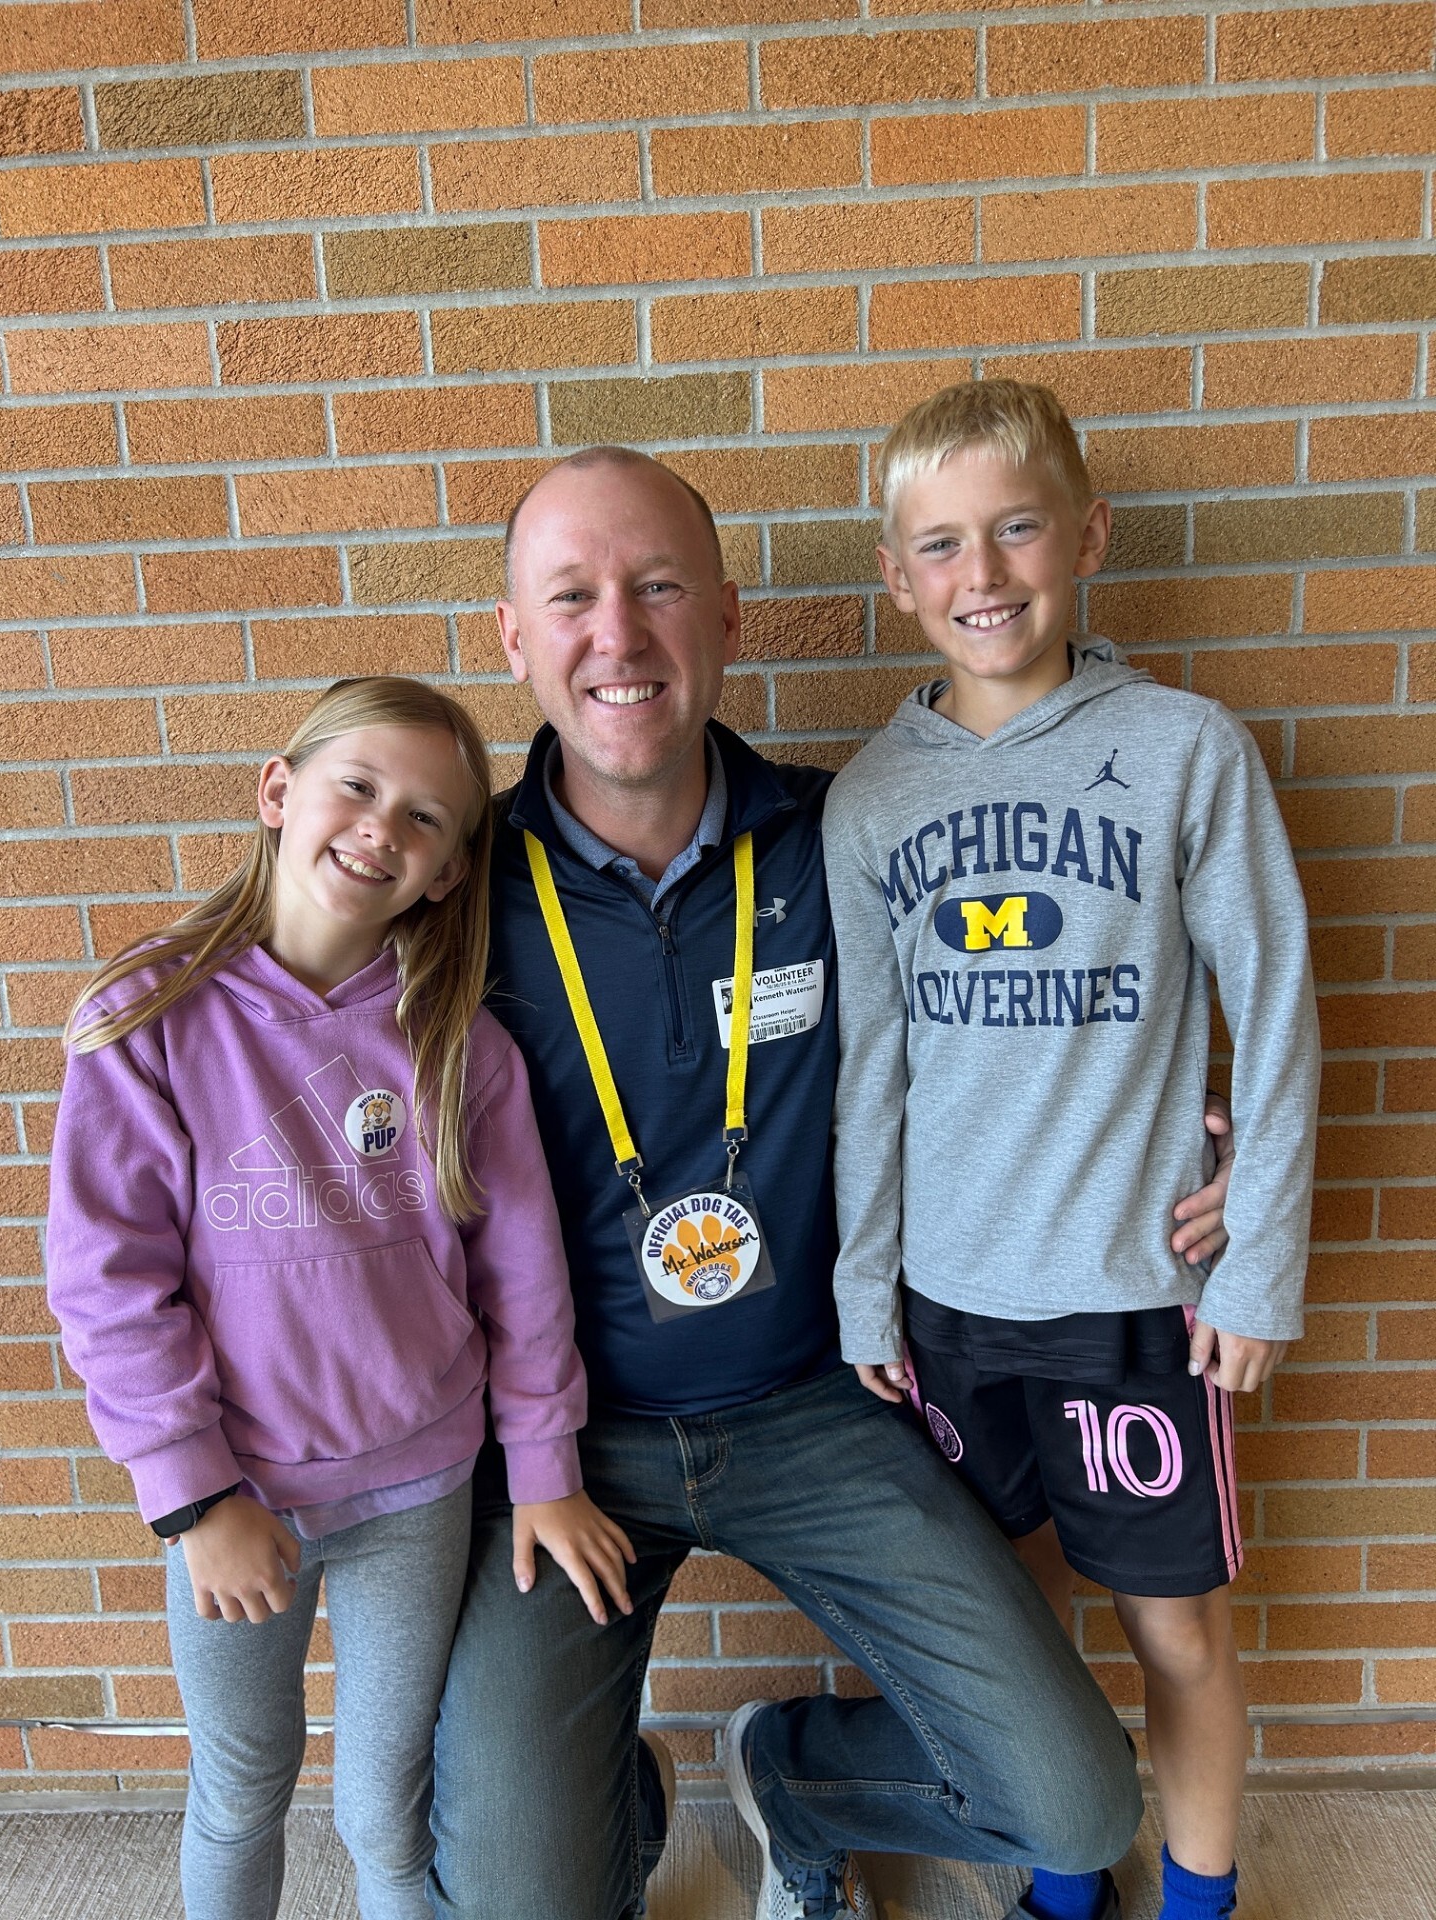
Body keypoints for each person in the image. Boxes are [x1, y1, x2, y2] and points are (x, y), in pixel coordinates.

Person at [428, 448, 1235, 1920]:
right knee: (514, 1890)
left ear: (728, 619)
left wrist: (1203, 1134)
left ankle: (790, 1763)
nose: (620, 635)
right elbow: (289, 1065)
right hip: (566, 1445)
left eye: (659, 587)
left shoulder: (848, 835)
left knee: (1075, 1801)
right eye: (574, 597)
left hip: (817, 1403)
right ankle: (610, 1791)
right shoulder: (455, 883)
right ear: (512, 637)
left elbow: (1047, 1005)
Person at [823, 381, 1320, 1920]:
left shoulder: (1186, 751)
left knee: (1177, 1633)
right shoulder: (871, 798)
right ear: (898, 580)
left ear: (1087, 536)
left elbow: (1280, 1003)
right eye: (943, 545)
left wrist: (1262, 1260)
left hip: (1137, 1306)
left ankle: (1198, 1899)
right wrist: (864, 1297)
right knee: (1015, 1640)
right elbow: (869, 1073)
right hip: (952, 1314)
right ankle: (1060, 1873)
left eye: (1019, 527)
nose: (986, 574)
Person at [45, 677, 633, 1920]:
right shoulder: (144, 1019)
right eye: (357, 787)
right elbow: (110, 1284)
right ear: (278, 791)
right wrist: (194, 1493)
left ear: (447, 875)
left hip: (414, 1496)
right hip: (235, 1500)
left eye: (425, 818)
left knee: (384, 1801)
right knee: (244, 1784)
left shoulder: (459, 1046)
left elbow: (524, 1281)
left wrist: (544, 1467)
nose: (382, 827)